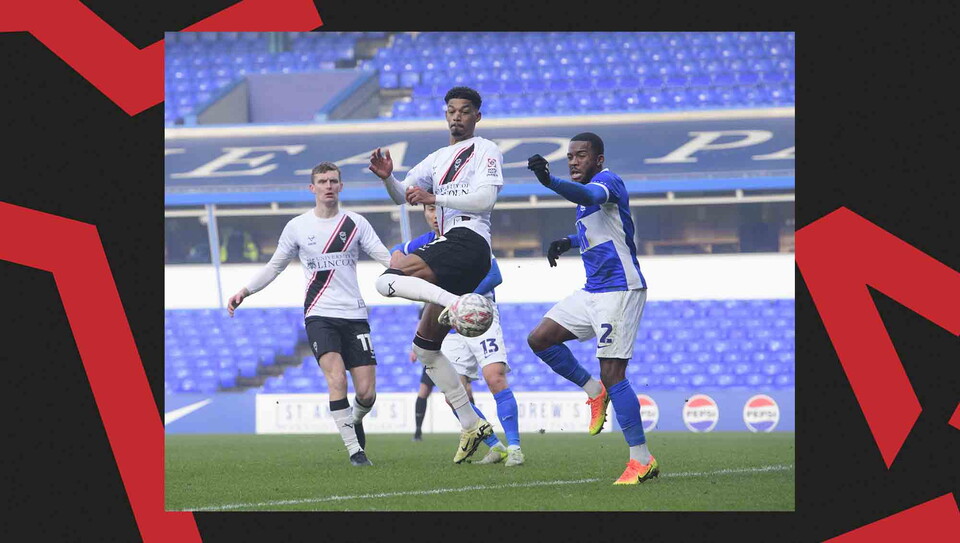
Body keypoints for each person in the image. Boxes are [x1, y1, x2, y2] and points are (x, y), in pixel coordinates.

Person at [368, 86, 503, 464]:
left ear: (477, 116)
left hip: (469, 241)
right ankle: (471, 424)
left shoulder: (486, 150)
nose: (456, 117)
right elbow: (402, 196)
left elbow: (485, 201)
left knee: (386, 279)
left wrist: (436, 198)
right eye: (451, 111)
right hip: (452, 250)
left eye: (464, 111)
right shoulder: (436, 158)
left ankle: (456, 303)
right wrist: (388, 179)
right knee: (425, 348)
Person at [227, 162, 391, 467]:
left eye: (333, 181)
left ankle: (354, 419)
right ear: (312, 188)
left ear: (341, 186)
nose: (328, 186)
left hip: (355, 314)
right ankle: (355, 451)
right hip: (320, 315)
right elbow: (275, 265)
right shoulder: (298, 227)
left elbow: (386, 258)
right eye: (322, 181)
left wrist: (418, 274)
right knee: (337, 379)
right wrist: (245, 291)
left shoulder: (355, 223)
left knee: (367, 394)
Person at [525, 133, 659, 485]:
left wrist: (548, 181)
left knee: (614, 373)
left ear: (598, 159)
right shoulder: (583, 198)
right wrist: (568, 242)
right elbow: (603, 231)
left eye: (581, 155)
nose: (573, 161)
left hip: (619, 290)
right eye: (569, 156)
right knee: (540, 339)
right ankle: (593, 391)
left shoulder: (606, 182)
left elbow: (589, 195)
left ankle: (641, 460)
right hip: (592, 291)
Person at [395, 204, 523, 466]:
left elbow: (495, 274)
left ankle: (515, 448)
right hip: (448, 323)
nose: (433, 215)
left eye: (437, 209)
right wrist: (398, 262)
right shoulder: (427, 244)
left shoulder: (469, 238)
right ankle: (494, 445)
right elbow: (394, 253)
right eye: (429, 210)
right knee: (453, 392)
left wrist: (462, 298)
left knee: (494, 377)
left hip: (479, 316)